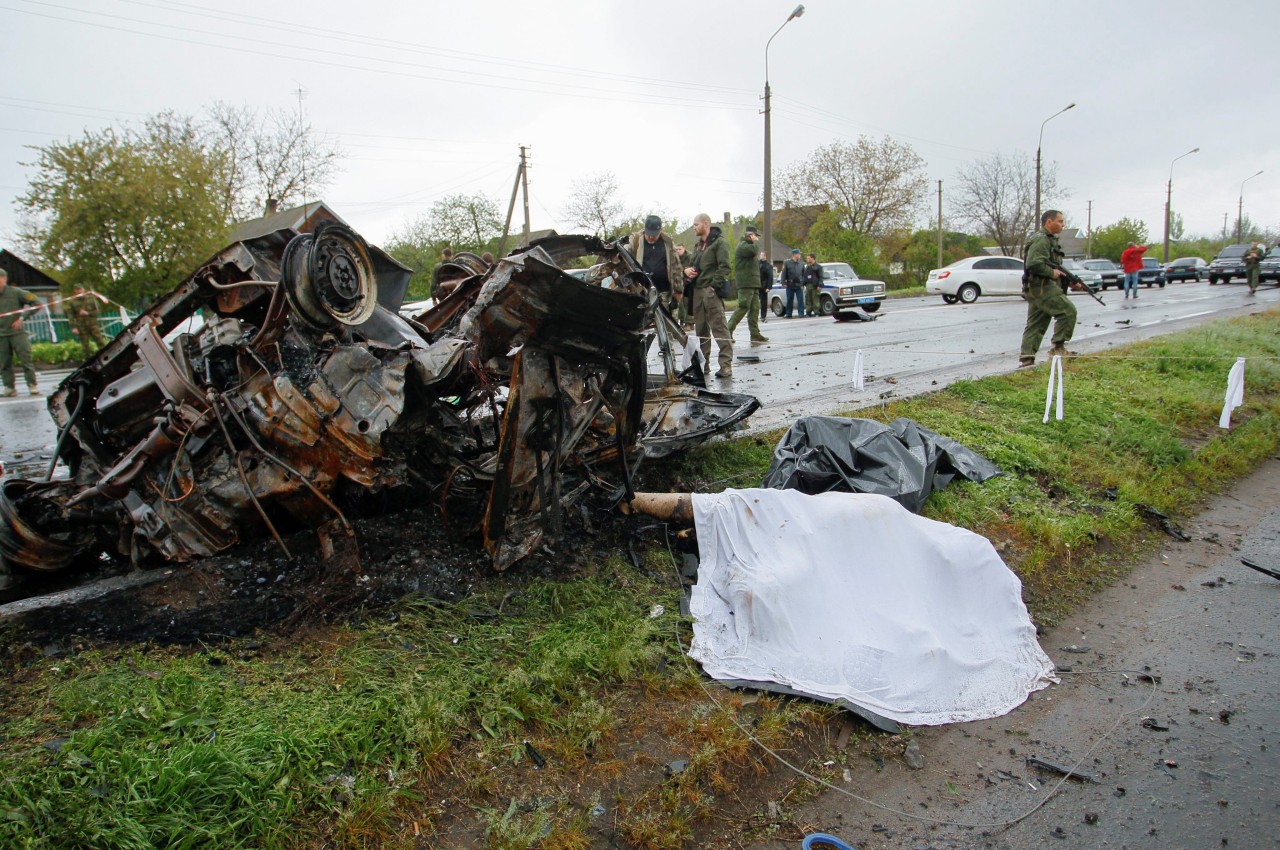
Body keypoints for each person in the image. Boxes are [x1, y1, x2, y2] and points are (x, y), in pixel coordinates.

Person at [1019, 209, 1084, 367]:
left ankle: (1027, 359)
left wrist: (1069, 281)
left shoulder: (1049, 240)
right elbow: (1033, 263)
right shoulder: (1042, 240)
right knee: (1067, 311)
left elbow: (1055, 267)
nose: (1063, 224)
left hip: (1037, 288)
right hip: (1042, 287)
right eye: (1060, 221)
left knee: (1037, 323)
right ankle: (1058, 348)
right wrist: (1051, 273)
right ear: (1049, 222)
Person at [685, 212, 734, 378]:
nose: (694, 228)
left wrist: (713, 286)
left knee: (719, 328)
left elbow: (725, 266)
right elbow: (694, 264)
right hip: (698, 290)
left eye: (696, 225)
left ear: (705, 224)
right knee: (701, 331)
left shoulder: (719, 243)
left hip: (710, 290)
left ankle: (725, 365)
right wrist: (689, 271)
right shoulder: (699, 245)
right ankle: (703, 365)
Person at [626, 215, 684, 316]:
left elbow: (676, 268)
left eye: (654, 234)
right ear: (645, 228)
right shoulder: (635, 240)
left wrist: (678, 290)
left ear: (661, 230)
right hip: (641, 292)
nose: (651, 237)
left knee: (664, 325)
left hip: (663, 292)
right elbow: (624, 253)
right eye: (649, 234)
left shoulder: (668, 243)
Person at [0, 267, 42, 397]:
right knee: (4, 363)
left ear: (4, 279)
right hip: (1, 335)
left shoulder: (16, 292)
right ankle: (9, 387)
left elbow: (37, 303)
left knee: (26, 360)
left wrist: (23, 318)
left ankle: (32, 385)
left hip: (17, 333)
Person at [727, 226, 768, 344]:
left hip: (753, 283)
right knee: (743, 307)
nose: (756, 238)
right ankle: (728, 331)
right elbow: (755, 250)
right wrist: (754, 242)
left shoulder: (748, 246)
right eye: (755, 236)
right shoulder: (743, 246)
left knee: (755, 309)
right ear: (750, 235)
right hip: (746, 283)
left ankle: (755, 334)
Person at [67, 285, 107, 359]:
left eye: (80, 289)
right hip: (81, 325)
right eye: (77, 290)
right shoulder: (72, 302)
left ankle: (106, 355)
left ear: (83, 289)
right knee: (85, 345)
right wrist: (74, 327)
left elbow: (98, 311)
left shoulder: (91, 299)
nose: (79, 291)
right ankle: (88, 360)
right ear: (75, 291)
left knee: (99, 340)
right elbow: (70, 316)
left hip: (92, 324)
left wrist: (88, 313)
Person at [781, 248, 805, 318]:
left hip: (799, 284)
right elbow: (784, 273)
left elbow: (803, 274)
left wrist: (803, 283)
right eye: (799, 254)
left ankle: (801, 313)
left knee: (800, 300)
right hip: (790, 284)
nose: (800, 255)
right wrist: (783, 283)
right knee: (789, 300)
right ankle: (788, 313)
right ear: (794, 255)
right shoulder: (787, 263)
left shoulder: (801, 263)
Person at [674, 243, 693, 327]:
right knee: (680, 303)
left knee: (688, 303)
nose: (678, 251)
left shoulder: (689, 256)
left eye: (680, 249)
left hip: (689, 281)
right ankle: (682, 320)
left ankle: (690, 323)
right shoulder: (674, 257)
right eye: (677, 249)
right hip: (679, 282)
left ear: (684, 249)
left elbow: (691, 268)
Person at [758, 251, 773, 323]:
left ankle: (763, 315)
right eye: (760, 255)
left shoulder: (768, 266)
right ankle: (751, 314)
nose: (760, 256)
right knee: (753, 301)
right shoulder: (757, 264)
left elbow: (770, 277)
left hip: (763, 286)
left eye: (762, 255)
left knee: (763, 302)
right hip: (756, 285)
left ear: (765, 256)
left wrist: (768, 287)